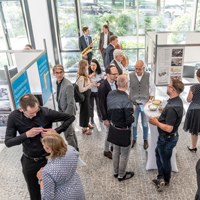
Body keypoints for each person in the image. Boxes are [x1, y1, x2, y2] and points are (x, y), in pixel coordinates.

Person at [5, 94, 75, 200]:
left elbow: (70, 117)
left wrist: (56, 131)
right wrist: (26, 135)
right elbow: (8, 142)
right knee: (34, 194)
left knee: (53, 192)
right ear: (21, 109)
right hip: (29, 160)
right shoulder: (14, 117)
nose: (35, 114)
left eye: (36, 111)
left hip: (49, 159)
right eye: (31, 113)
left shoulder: (45, 112)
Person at [149, 79, 184, 191]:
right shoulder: (177, 101)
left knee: (165, 160)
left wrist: (156, 123)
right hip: (170, 138)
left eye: (169, 86)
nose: (167, 87)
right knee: (159, 154)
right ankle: (161, 178)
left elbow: (169, 128)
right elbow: (169, 119)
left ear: (173, 90)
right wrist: (159, 118)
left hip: (166, 139)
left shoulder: (171, 108)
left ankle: (165, 181)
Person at [36, 132, 85, 200]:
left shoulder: (47, 171)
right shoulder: (71, 149)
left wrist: (41, 179)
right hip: (77, 191)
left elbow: (47, 197)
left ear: (50, 149)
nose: (43, 146)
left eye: (43, 145)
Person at [107, 75, 135, 181]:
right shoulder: (126, 100)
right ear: (127, 85)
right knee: (124, 154)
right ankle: (121, 175)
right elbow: (129, 120)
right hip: (124, 131)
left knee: (115, 151)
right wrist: (132, 111)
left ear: (117, 83)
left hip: (114, 127)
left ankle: (115, 171)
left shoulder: (110, 94)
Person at [129, 60, 155, 150]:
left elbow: (152, 89)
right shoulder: (130, 75)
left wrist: (149, 101)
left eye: (139, 69)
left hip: (145, 104)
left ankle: (145, 139)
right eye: (136, 68)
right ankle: (134, 139)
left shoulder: (148, 76)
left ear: (143, 68)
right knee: (134, 123)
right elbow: (128, 89)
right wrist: (130, 101)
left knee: (145, 124)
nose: (137, 71)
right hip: (134, 104)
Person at [53, 64, 78, 150]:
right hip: (63, 113)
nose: (59, 75)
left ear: (63, 72)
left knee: (68, 135)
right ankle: (76, 149)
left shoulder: (68, 85)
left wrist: (66, 119)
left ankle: (73, 154)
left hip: (67, 114)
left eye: (61, 72)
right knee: (71, 132)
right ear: (53, 74)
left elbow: (71, 104)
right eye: (57, 73)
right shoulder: (58, 83)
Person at [98, 65, 118, 159]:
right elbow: (101, 104)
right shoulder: (103, 87)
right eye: (114, 74)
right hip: (108, 115)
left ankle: (113, 146)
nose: (116, 75)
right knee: (109, 133)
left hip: (114, 114)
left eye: (117, 73)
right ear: (108, 74)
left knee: (114, 131)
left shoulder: (115, 83)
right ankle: (106, 151)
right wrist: (105, 119)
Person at [76, 60, 95, 135]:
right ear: (84, 66)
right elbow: (81, 89)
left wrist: (90, 80)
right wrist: (90, 85)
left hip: (87, 96)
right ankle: (84, 127)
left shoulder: (83, 74)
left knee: (87, 110)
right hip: (84, 96)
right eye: (87, 65)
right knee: (84, 112)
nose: (89, 66)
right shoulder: (80, 77)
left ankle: (87, 123)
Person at [183, 69, 200, 152]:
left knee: (194, 129)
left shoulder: (194, 88)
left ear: (197, 77)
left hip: (195, 110)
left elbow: (189, 100)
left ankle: (193, 146)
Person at [88, 59, 104, 124]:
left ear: (97, 65)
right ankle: (91, 118)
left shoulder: (100, 72)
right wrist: (91, 76)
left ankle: (100, 116)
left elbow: (104, 81)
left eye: (94, 65)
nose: (92, 67)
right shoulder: (88, 72)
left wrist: (100, 83)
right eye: (91, 65)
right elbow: (85, 81)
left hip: (98, 91)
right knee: (91, 105)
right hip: (91, 91)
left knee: (99, 104)